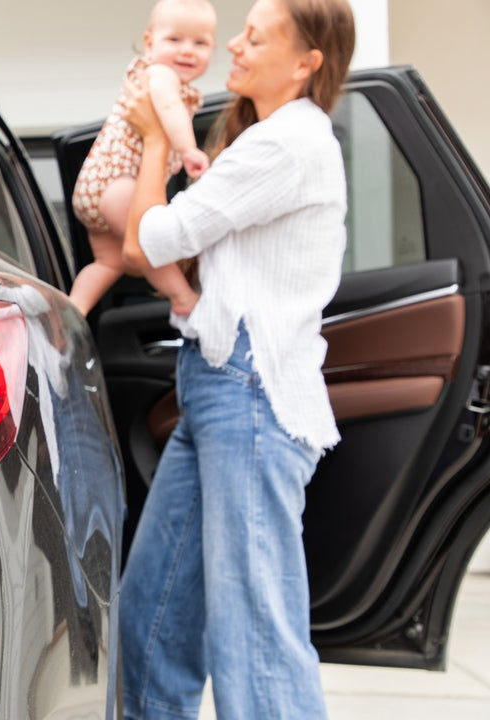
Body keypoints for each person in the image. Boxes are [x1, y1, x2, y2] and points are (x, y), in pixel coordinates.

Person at [116, 0, 356, 718]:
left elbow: (150, 240)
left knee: (256, 639)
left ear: (308, 60)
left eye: (257, 35)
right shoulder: (268, 140)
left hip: (249, 394)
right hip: (217, 387)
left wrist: (154, 139)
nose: (237, 46)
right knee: (153, 617)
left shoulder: (285, 144)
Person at [68, 0, 216, 317]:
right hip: (117, 183)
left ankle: (73, 311)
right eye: (174, 40)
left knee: (109, 262)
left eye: (200, 42)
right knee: (151, 240)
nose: (187, 51)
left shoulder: (162, 77)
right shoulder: (160, 74)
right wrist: (189, 149)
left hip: (97, 187)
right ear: (150, 43)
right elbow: (167, 109)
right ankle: (183, 297)